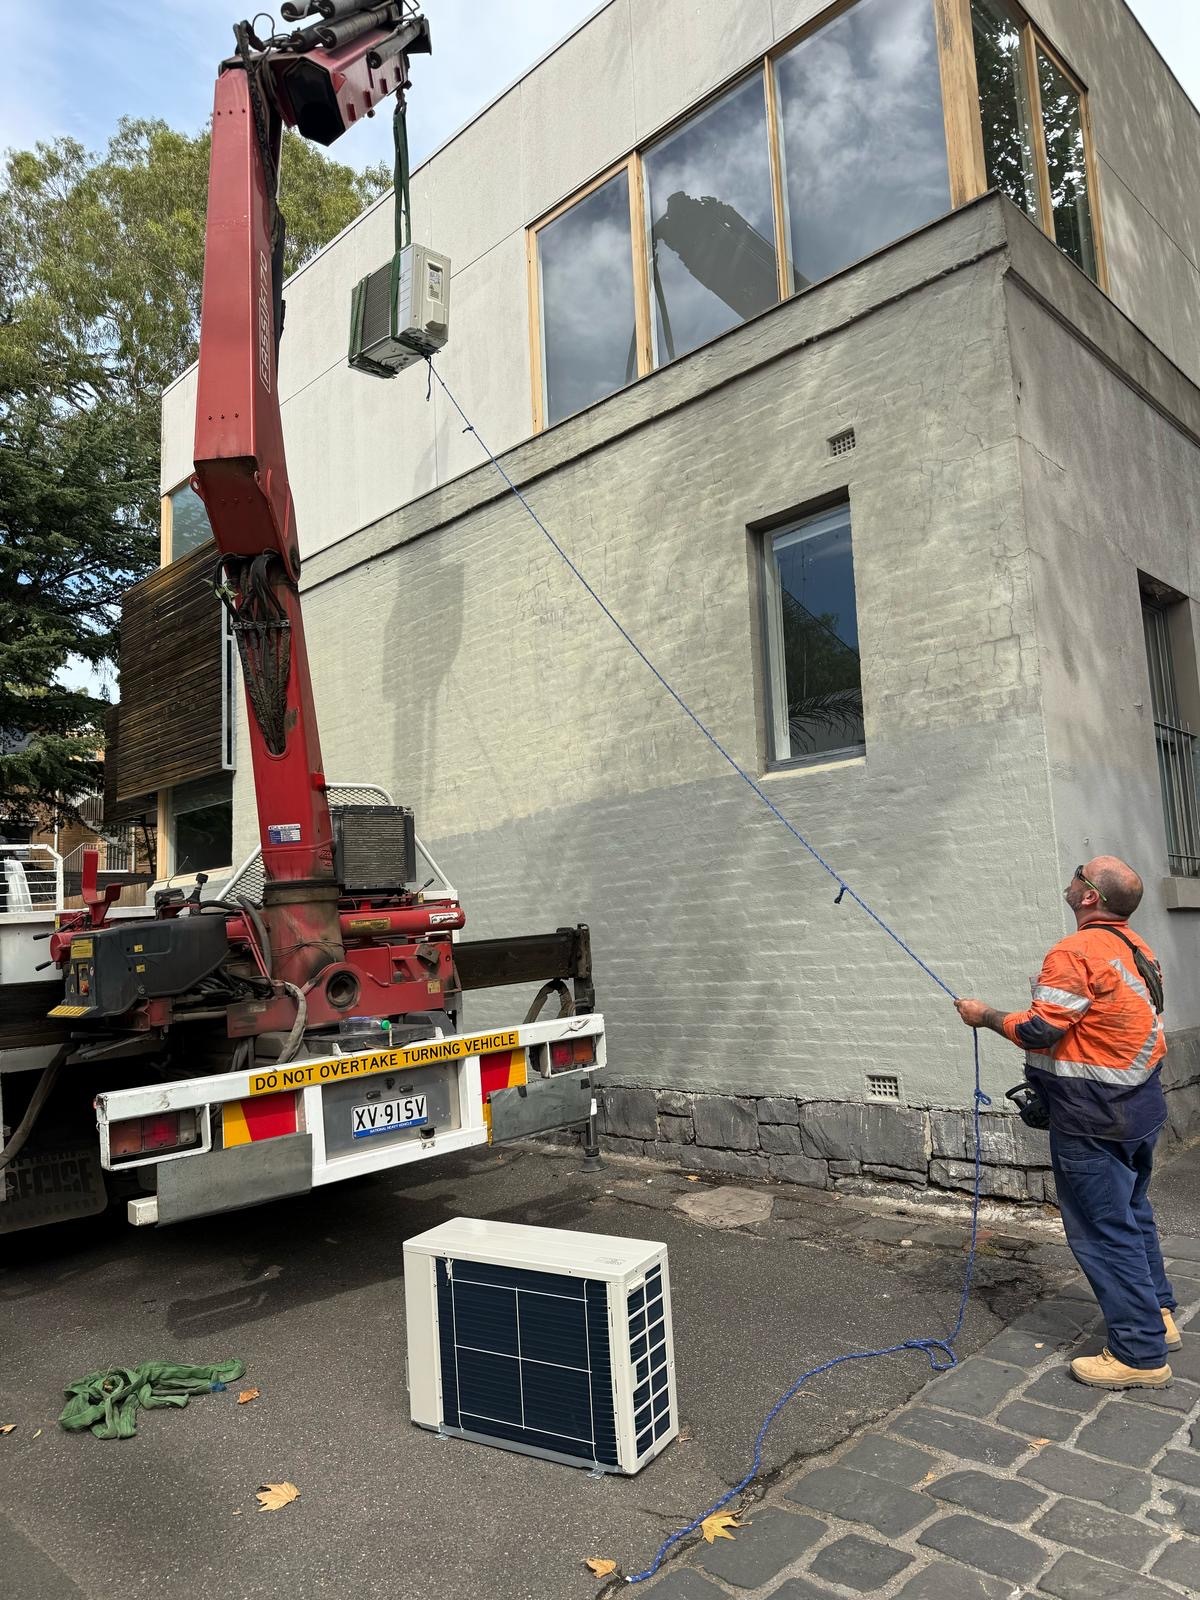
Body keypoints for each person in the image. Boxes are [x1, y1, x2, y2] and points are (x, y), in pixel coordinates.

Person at [954, 855, 1177, 1390]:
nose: (1073, 878)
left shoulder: (1074, 951)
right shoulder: (1135, 946)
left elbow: (1038, 1030)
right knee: (1130, 1213)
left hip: (1094, 1118)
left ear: (1089, 896)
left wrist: (983, 1015)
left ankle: (1140, 1354)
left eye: (1081, 873)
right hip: (1140, 1109)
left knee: (1103, 1232)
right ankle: (1159, 1315)